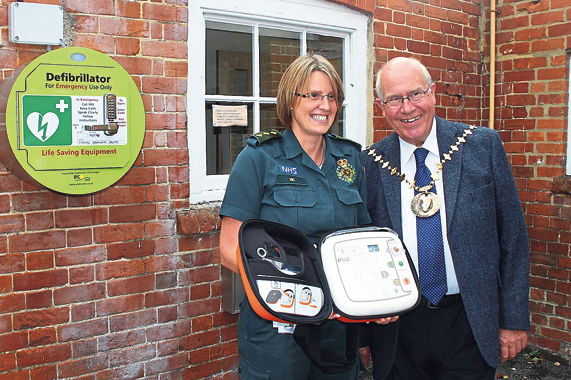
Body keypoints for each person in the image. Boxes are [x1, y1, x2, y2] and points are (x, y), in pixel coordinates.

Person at [219, 54, 392, 380]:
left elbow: (364, 241)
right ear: (290, 102)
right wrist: (299, 290)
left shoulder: (350, 159)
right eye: (312, 95)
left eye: (331, 96)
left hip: (339, 327)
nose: (324, 105)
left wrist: (379, 298)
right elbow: (230, 250)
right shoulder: (259, 158)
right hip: (279, 327)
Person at [361, 56, 530, 380]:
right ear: (381, 106)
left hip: (468, 321)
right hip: (399, 330)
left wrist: (513, 319)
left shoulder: (481, 145)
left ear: (433, 92)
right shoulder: (370, 163)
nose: (408, 108)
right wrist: (365, 336)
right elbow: (365, 249)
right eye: (395, 99)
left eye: (415, 94)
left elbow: (513, 239)